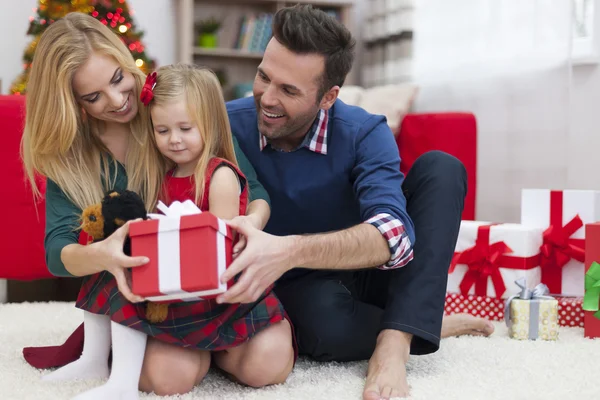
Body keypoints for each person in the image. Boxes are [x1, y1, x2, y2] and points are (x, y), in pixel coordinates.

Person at [216, 5, 494, 400]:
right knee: (323, 327)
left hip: (367, 272)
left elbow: (394, 238)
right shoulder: (224, 124)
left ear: (328, 96)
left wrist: (289, 249)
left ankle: (395, 342)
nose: (267, 98)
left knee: (442, 168)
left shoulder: (364, 132)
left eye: (289, 90)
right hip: (299, 288)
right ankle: (423, 322)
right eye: (264, 76)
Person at [21, 12, 290, 397]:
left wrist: (248, 227)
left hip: (214, 280)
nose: (117, 101)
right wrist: (104, 254)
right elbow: (56, 251)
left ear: (126, 62)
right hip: (155, 294)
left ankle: (213, 346)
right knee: (169, 378)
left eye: (118, 79)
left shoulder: (172, 107)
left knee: (268, 366)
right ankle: (178, 353)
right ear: (72, 103)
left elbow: (255, 192)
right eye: (94, 97)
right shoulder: (72, 154)